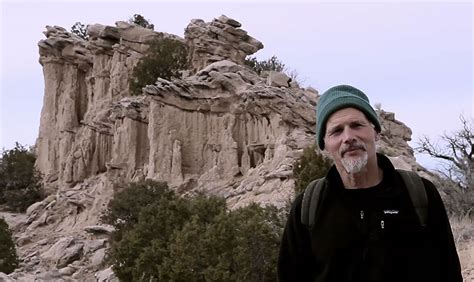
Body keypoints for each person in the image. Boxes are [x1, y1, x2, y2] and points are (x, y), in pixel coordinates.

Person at [277, 85, 462, 282]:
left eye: (357, 125)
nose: (348, 137)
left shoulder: (419, 194)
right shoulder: (308, 207)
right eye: (337, 131)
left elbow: (448, 271)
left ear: (376, 133)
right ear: (324, 145)